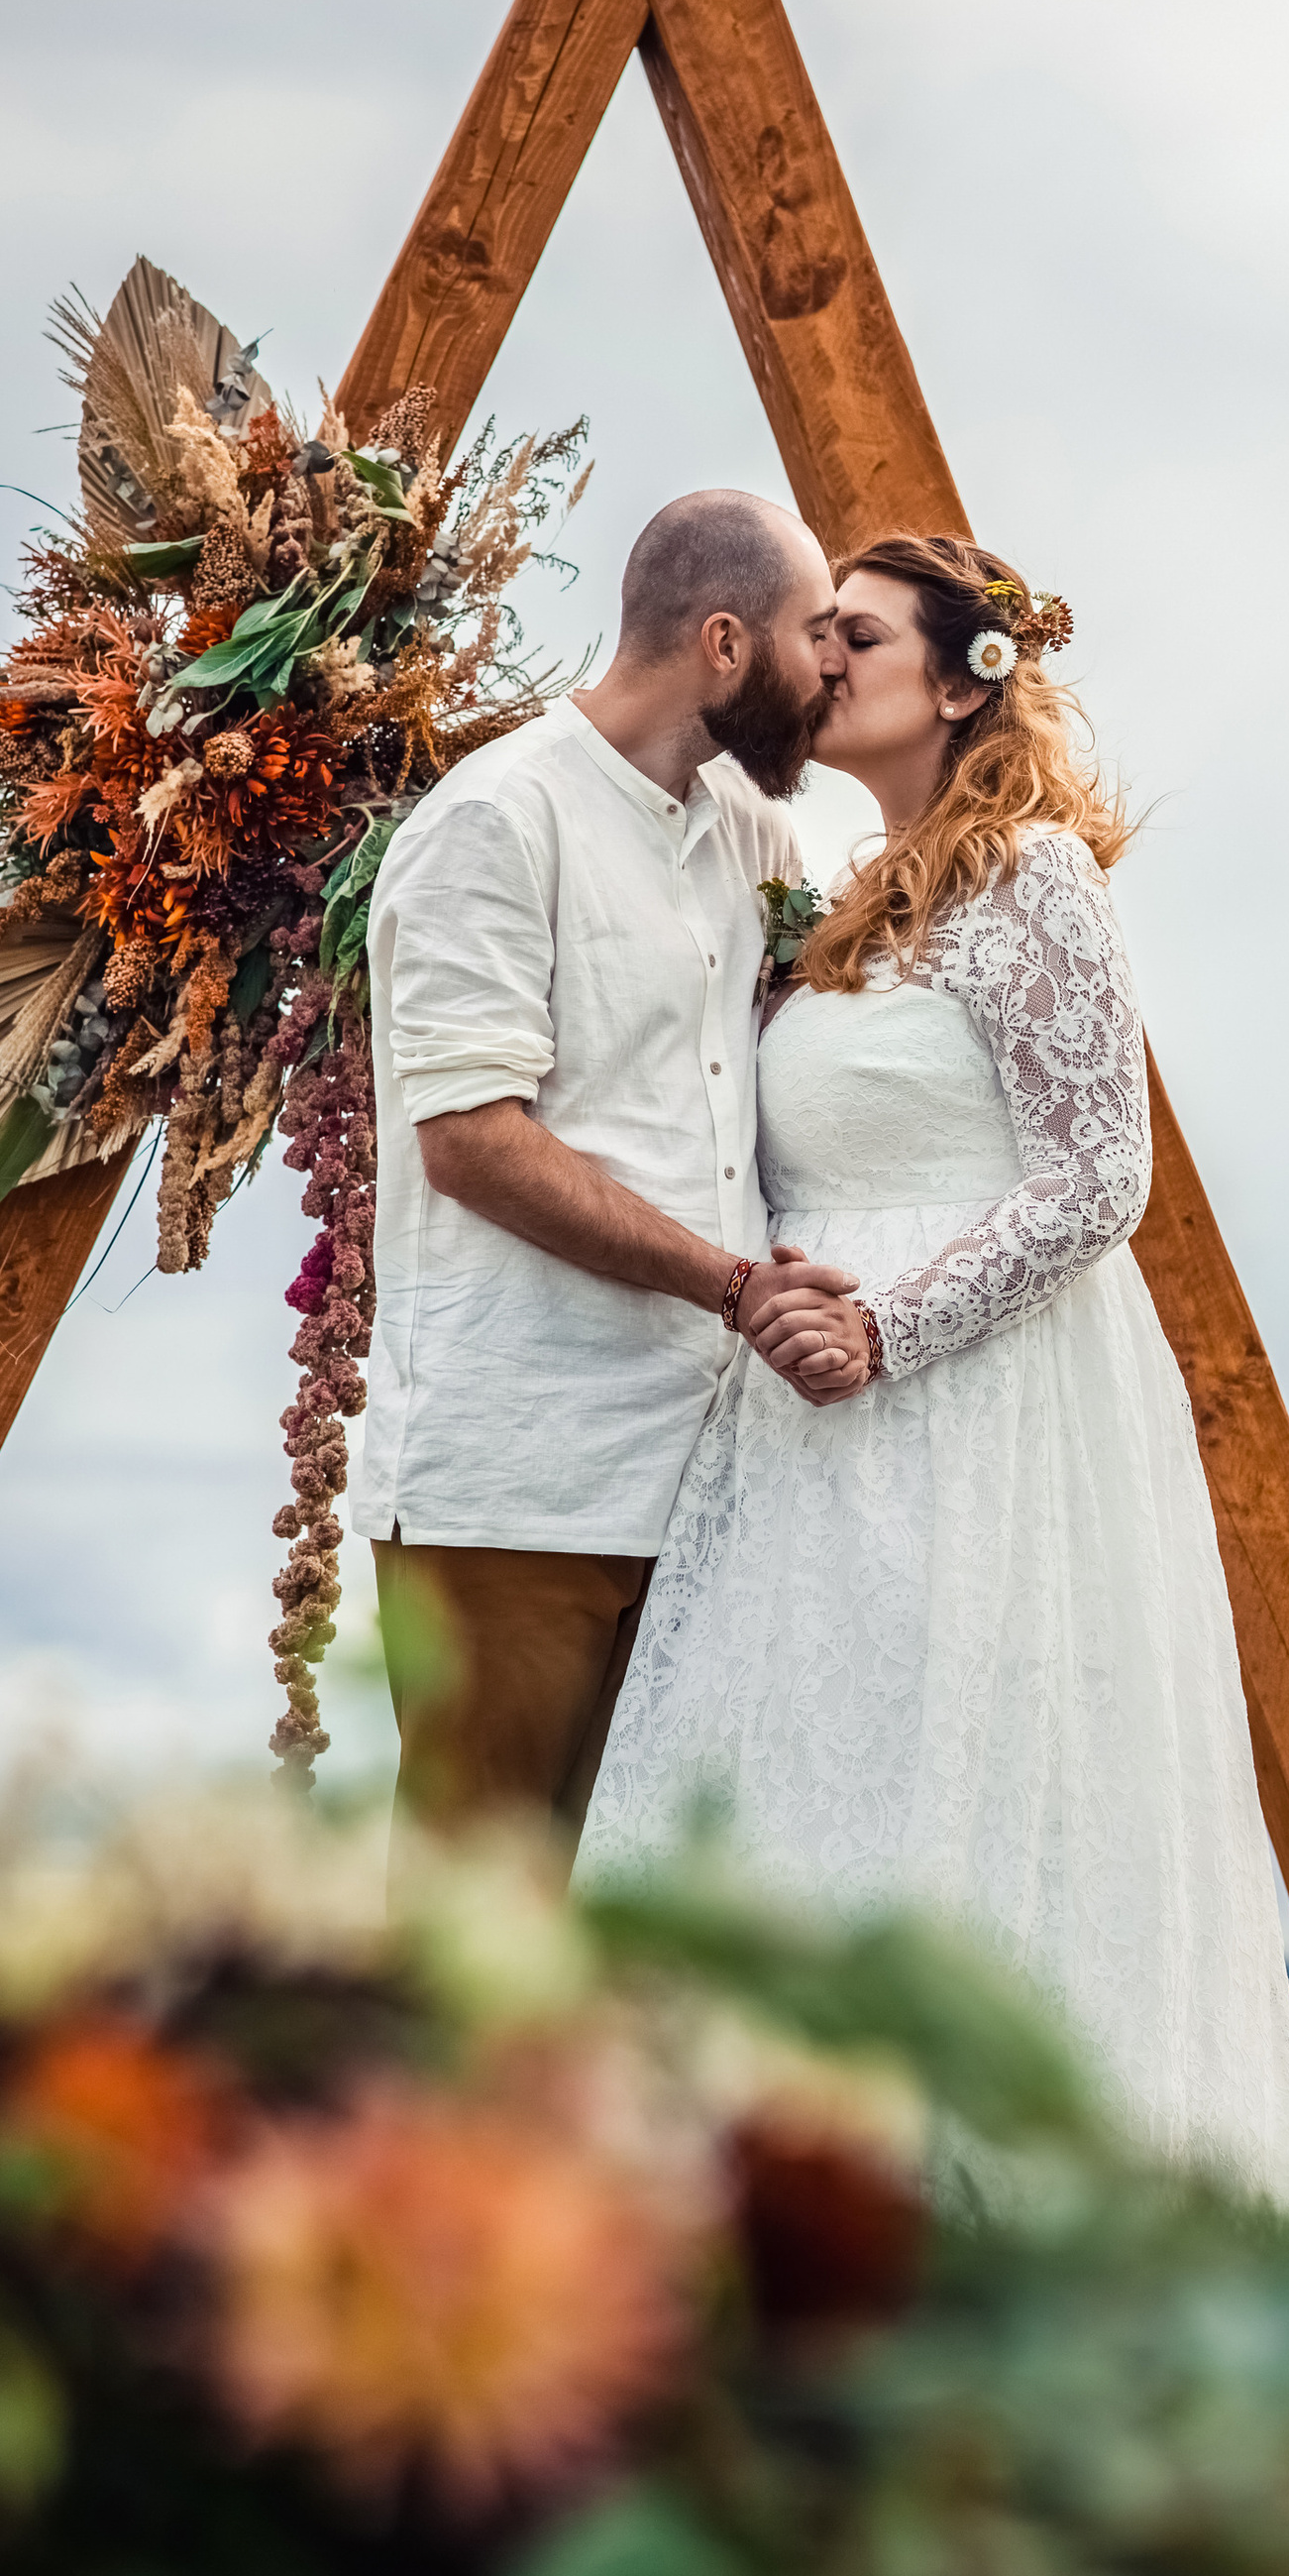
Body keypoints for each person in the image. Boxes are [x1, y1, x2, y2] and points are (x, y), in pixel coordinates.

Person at [579, 534, 1289, 2220]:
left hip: (984, 1415)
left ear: (963, 675)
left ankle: (1007, 2231)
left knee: (978, 1811)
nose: (815, 655)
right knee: (801, 1805)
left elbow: (1101, 1173)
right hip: (807, 1431)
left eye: (854, 633)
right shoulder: (840, 903)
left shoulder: (1035, 876)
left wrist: (888, 1326)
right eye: (812, 628)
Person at [349, 487, 858, 1836]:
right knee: (484, 1926)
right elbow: (472, 1145)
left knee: (657, 1932)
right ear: (728, 644)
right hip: (522, 1476)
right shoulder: (496, 823)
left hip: (701, 1477)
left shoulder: (751, 837)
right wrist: (734, 1284)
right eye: (819, 635)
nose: (836, 671)